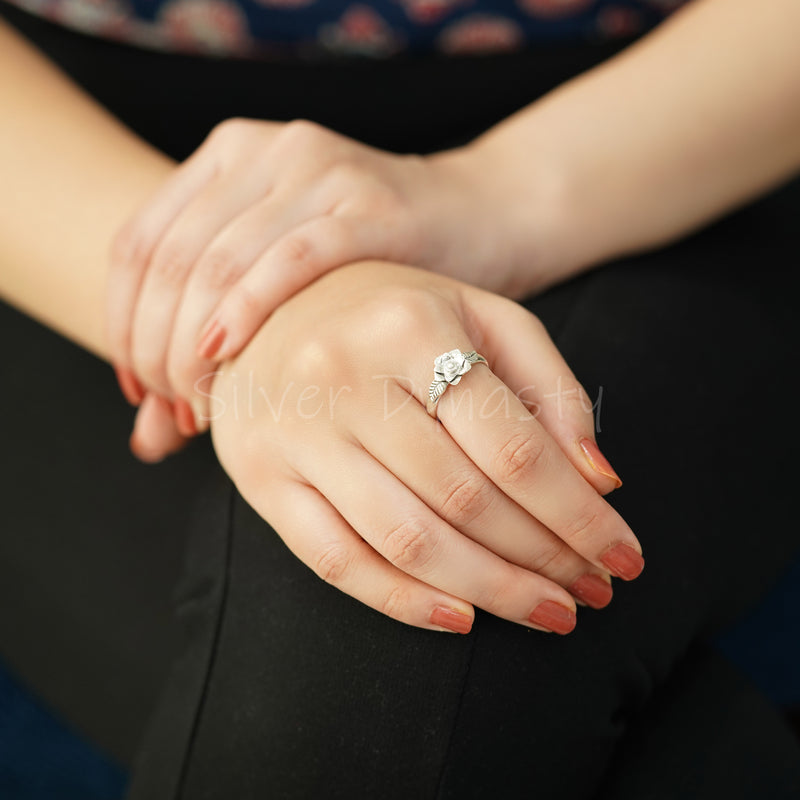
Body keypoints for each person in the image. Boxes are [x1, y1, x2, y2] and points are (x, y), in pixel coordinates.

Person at [0, 0, 799, 797]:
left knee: (432, 611)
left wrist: (496, 193)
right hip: (55, 168)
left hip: (672, 135)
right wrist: (243, 298)